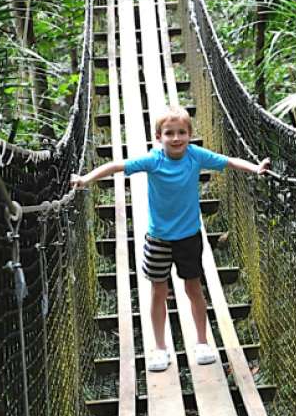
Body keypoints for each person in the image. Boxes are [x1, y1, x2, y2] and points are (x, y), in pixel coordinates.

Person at [70, 105, 270, 372]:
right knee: (158, 291)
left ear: (190, 135)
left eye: (181, 133)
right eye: (169, 133)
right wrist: (85, 179)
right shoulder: (154, 160)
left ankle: (201, 343)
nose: (176, 138)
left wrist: (256, 169)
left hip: (189, 238)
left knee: (193, 288)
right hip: (158, 239)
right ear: (158, 137)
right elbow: (117, 165)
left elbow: (229, 161)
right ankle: (160, 349)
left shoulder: (195, 156)